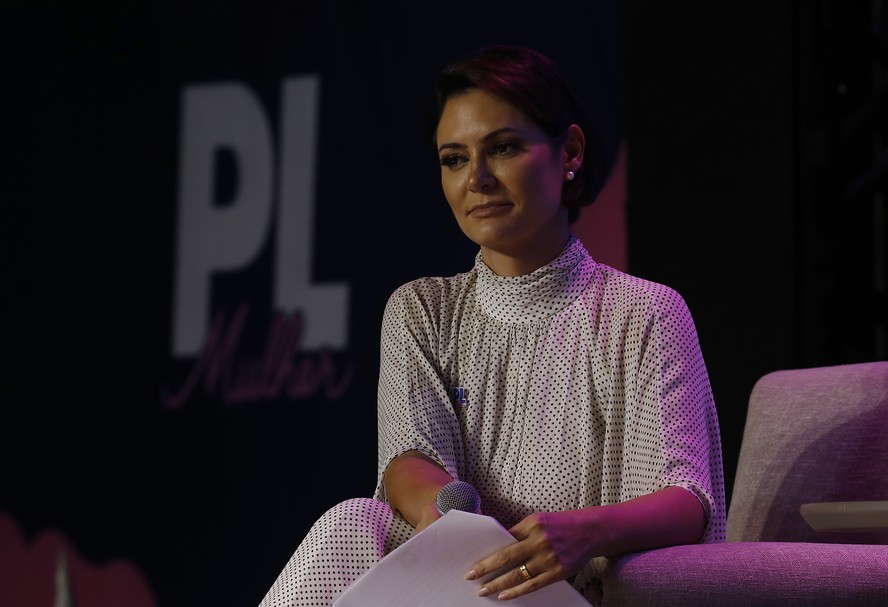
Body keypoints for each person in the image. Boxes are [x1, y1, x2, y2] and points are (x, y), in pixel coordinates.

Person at [258, 44, 726, 606]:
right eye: (454, 159)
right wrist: (460, 525)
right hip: (464, 581)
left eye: (502, 148)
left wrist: (580, 534)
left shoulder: (643, 311)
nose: (477, 179)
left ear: (569, 152)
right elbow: (410, 458)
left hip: (579, 593)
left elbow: (687, 501)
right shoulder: (422, 309)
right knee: (354, 521)